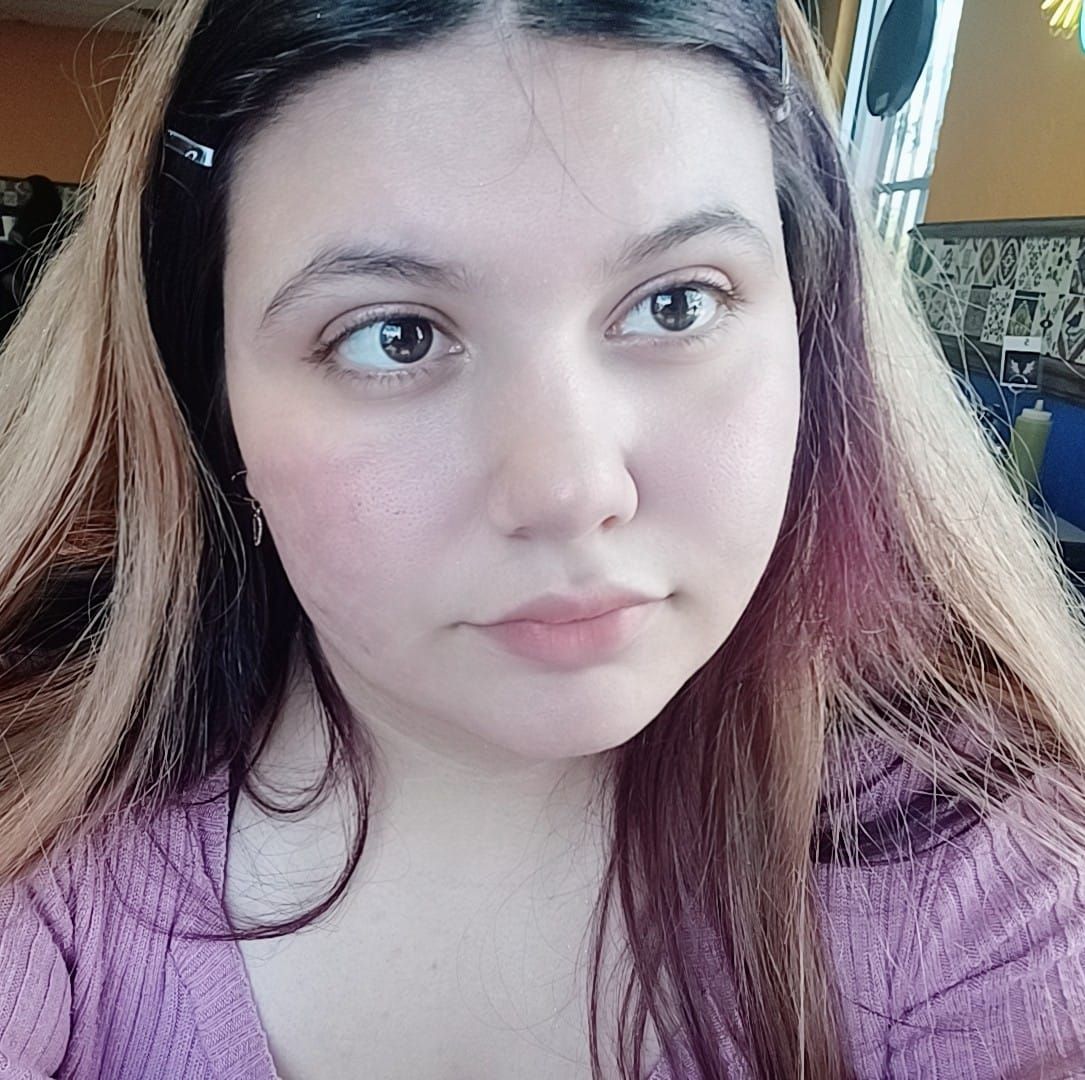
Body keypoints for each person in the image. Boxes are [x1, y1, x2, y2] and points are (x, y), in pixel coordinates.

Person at [1, 1, 1084, 1077]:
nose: (570, 490)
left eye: (675, 304)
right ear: (210, 406)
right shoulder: (42, 861)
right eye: (395, 336)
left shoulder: (991, 876)